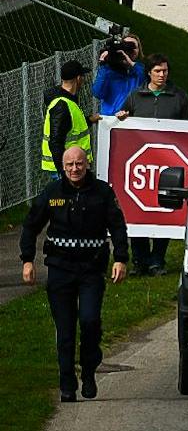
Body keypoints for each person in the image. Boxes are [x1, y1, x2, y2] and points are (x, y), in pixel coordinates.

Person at [19, 146, 128, 402]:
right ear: (63, 167)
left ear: (87, 164)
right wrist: (27, 260)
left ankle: (89, 371)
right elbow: (31, 225)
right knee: (65, 331)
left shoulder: (102, 192)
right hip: (60, 269)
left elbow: (117, 226)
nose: (75, 169)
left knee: (90, 321)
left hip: (91, 270)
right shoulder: (52, 192)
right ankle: (67, 383)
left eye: (79, 164)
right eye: (69, 165)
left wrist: (121, 258)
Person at [117, 53, 188, 276]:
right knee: (137, 209)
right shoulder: (136, 96)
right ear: (149, 72)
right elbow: (123, 119)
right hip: (141, 165)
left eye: (165, 71)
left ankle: (157, 259)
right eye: (158, 71)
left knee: (165, 208)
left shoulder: (179, 97)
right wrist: (120, 117)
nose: (162, 75)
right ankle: (139, 260)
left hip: (168, 164)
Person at [41, 60, 96, 175]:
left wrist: (89, 120)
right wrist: (65, 172)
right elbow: (56, 142)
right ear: (78, 79)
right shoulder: (62, 105)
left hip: (72, 166)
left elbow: (69, 127)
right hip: (69, 169)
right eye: (83, 76)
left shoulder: (67, 101)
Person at [91, 33, 144, 117]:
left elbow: (147, 79)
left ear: (139, 51)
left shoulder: (139, 72)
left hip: (132, 120)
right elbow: (98, 93)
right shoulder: (109, 71)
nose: (129, 50)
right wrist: (104, 67)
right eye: (126, 46)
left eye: (133, 47)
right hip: (110, 120)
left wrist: (131, 63)